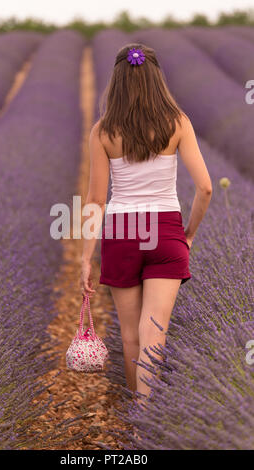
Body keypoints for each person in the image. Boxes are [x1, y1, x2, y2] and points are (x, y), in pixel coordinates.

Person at [80, 44, 212, 399]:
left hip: (122, 232)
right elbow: (206, 188)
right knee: (155, 331)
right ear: (157, 77)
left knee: (130, 336)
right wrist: (187, 235)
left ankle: (134, 419)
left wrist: (84, 258)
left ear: (116, 81)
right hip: (166, 231)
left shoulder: (103, 131)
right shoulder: (178, 122)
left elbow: (95, 201)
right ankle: (147, 422)